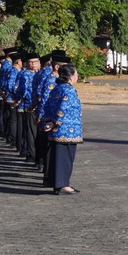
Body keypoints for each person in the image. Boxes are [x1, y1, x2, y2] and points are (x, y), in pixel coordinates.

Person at [40, 63, 82, 194]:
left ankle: (58, 184)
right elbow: (62, 109)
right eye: (76, 74)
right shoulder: (68, 90)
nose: (77, 77)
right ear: (70, 77)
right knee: (65, 158)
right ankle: (63, 185)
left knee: (57, 158)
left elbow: (47, 106)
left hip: (57, 130)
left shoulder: (56, 89)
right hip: (67, 130)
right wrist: (55, 122)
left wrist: (47, 122)